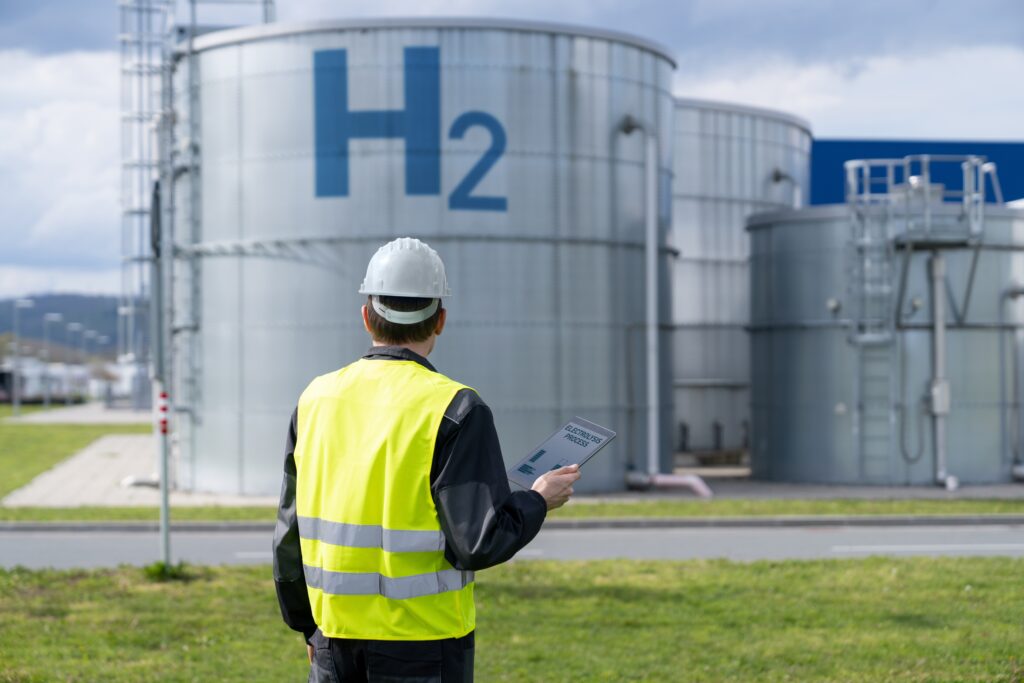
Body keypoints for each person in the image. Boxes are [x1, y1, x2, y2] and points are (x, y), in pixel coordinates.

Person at [273, 237, 581, 682]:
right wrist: (538, 500)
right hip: (425, 646)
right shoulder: (456, 408)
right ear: (440, 320)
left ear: (366, 316)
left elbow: (289, 531)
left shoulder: (315, 399)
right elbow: (480, 541)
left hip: (332, 641)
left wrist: (308, 626)